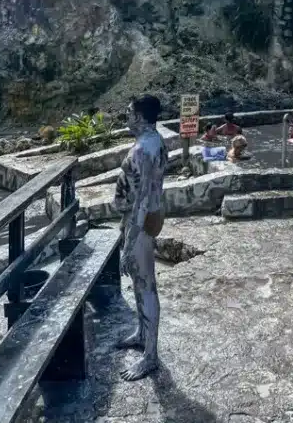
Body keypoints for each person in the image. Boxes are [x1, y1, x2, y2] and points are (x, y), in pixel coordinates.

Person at [113, 95, 168, 381]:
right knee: (139, 281)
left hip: (142, 224)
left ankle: (150, 357)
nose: (126, 115)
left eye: (129, 111)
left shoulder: (145, 148)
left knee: (146, 284)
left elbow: (142, 199)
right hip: (144, 220)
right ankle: (141, 333)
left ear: (139, 116)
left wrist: (128, 242)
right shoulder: (154, 140)